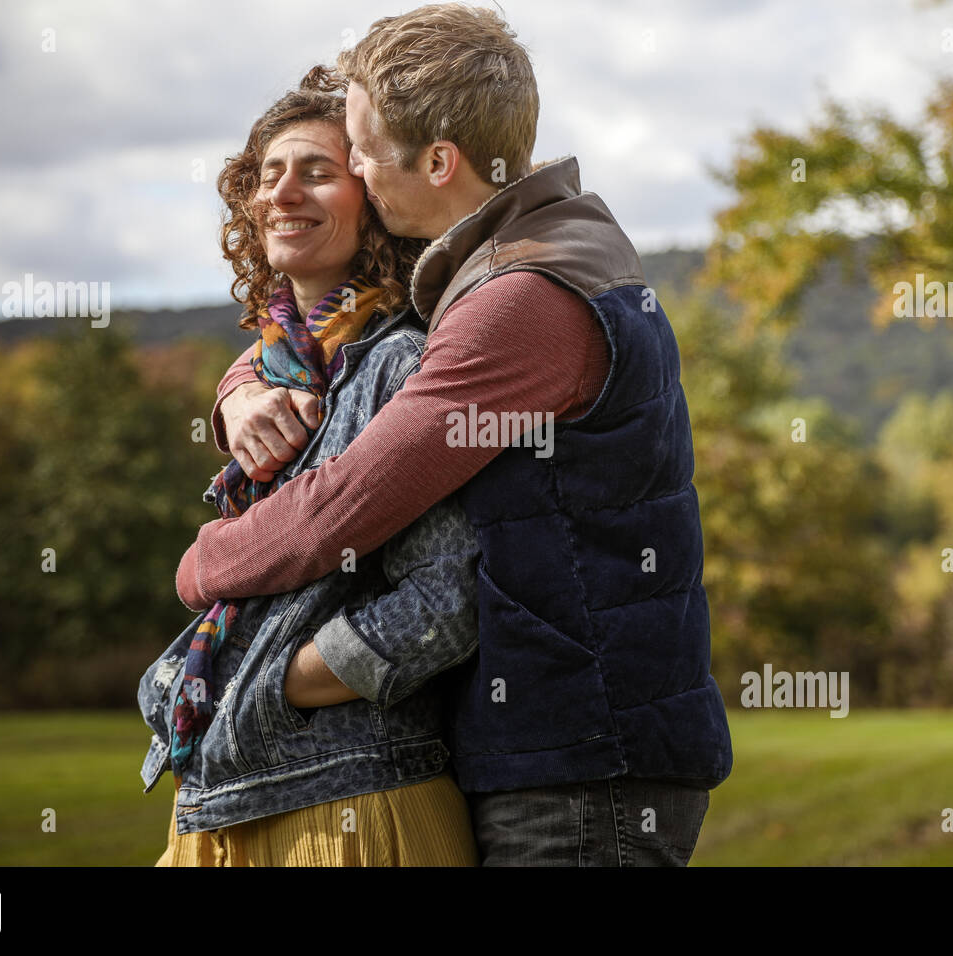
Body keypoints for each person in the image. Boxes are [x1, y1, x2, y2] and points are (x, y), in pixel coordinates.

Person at [177, 4, 734, 866]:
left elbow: (348, 503)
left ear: (439, 161)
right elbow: (338, 354)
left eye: (359, 149)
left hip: (580, 762)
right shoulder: (527, 256)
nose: (356, 169)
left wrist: (203, 566)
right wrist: (240, 388)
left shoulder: (520, 297)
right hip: (561, 750)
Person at [137, 66, 480, 866]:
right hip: (213, 795)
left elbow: (445, 602)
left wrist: (264, 680)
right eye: (268, 174)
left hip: (353, 806)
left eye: (318, 172)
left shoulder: (405, 363)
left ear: (376, 201)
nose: (283, 193)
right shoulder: (273, 370)